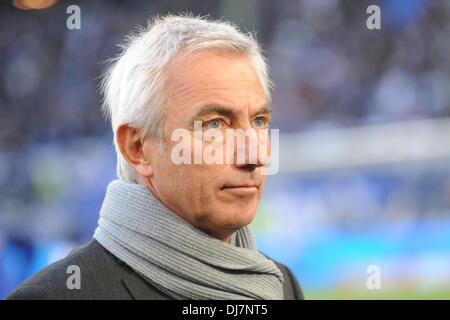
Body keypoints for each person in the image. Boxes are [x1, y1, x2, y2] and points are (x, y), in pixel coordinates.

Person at [6, 14, 304, 300]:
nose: (253, 155)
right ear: (137, 148)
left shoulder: (282, 286)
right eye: (215, 124)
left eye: (259, 121)